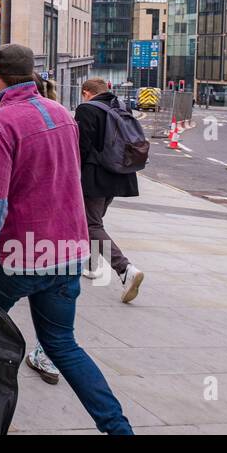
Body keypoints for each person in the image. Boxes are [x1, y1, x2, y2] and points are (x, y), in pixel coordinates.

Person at [0, 44, 133, 435]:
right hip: (66, 252)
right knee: (63, 346)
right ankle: (118, 428)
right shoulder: (61, 115)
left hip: (19, 255)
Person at [76, 77, 144, 299]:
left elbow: (81, 148)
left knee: (91, 224)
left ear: (86, 92)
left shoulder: (86, 109)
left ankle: (125, 269)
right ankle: (91, 264)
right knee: (95, 223)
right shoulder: (121, 107)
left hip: (95, 176)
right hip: (119, 175)